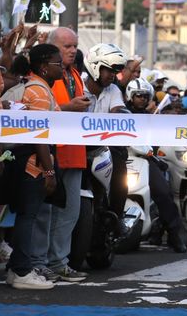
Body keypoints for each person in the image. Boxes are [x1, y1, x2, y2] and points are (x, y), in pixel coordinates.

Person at [29, 28, 89, 283]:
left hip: (75, 152)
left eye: (74, 46)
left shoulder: (75, 74)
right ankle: (38, 264)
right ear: (52, 51)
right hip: (50, 154)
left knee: (69, 213)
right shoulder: (40, 80)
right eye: (67, 46)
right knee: (45, 214)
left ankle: (59, 263)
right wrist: (69, 108)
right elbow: (43, 113)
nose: (73, 50)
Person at [5, 44, 63, 290]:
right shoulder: (39, 91)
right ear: (43, 66)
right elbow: (38, 134)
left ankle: (16, 269)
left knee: (25, 216)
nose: (61, 67)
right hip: (33, 166)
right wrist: (49, 172)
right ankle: (21, 271)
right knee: (27, 218)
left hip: (31, 163)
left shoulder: (39, 88)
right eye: (57, 63)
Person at [125, 78, 187, 253]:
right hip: (119, 159)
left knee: (163, 192)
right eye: (138, 95)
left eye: (145, 96)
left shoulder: (153, 118)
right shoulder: (119, 113)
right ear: (130, 96)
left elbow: (160, 142)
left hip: (145, 160)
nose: (142, 99)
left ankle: (174, 233)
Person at [82, 43, 130, 237]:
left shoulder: (113, 91)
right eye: (109, 70)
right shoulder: (78, 87)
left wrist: (119, 115)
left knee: (121, 171)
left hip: (103, 148)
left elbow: (117, 111)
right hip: (76, 149)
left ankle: (116, 217)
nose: (112, 75)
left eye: (115, 71)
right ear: (95, 66)